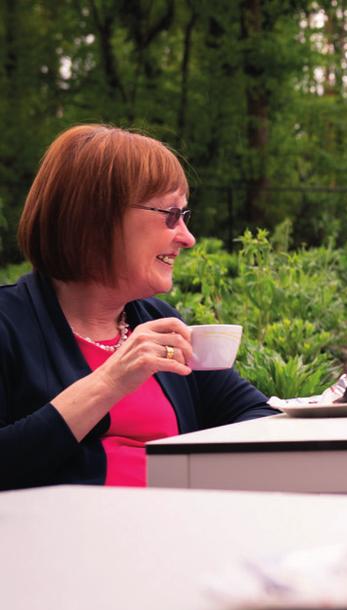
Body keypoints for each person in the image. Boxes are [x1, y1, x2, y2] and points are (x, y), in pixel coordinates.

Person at [0, 125, 276, 490]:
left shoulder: (158, 321)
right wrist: (109, 383)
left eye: (184, 216)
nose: (187, 238)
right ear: (97, 219)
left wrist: (195, 485)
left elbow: (258, 418)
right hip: (62, 541)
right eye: (170, 214)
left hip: (174, 531)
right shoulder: (8, 325)